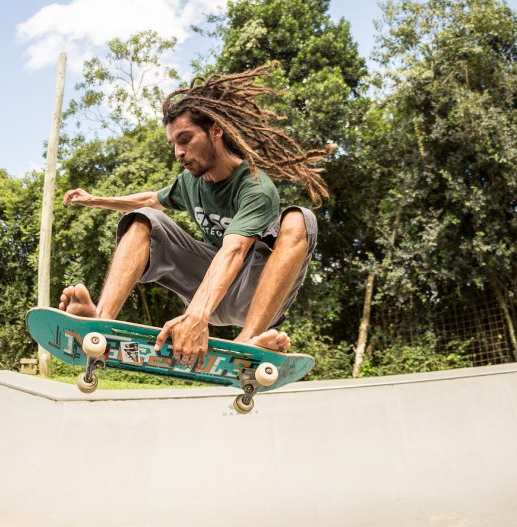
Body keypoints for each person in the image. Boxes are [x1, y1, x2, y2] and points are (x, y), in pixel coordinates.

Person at [59, 62, 331, 366]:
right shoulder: (190, 182)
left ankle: (249, 342)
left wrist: (195, 315)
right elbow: (151, 199)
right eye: (173, 144)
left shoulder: (255, 186)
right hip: (206, 286)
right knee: (145, 219)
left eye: (185, 139)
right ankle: (100, 323)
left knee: (299, 219)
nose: (178, 152)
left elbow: (235, 250)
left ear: (216, 130)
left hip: (252, 293)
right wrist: (95, 199)